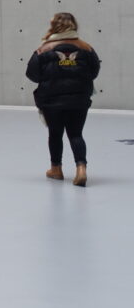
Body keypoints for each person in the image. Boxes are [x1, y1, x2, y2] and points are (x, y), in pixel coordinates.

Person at [26, 12, 100, 186]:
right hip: (79, 99)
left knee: (55, 134)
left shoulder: (43, 49)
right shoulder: (86, 48)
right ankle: (81, 168)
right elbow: (94, 72)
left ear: (54, 26)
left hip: (52, 100)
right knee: (76, 134)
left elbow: (32, 75)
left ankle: (56, 169)